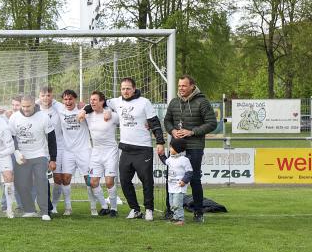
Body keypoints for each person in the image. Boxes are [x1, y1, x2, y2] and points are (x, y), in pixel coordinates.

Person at [89, 77, 165, 221]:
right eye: (123, 88)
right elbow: (97, 102)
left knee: (147, 181)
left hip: (143, 148)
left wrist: (160, 142)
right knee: (124, 181)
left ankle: (149, 209)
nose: (125, 91)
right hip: (126, 149)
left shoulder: (144, 102)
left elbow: (154, 123)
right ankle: (135, 209)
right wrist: (97, 110)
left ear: (134, 89)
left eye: (128, 88)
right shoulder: (116, 102)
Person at [163, 75, 217, 223]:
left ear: (192, 86)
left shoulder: (202, 102)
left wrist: (192, 131)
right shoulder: (174, 102)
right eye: (179, 86)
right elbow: (167, 121)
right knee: (172, 178)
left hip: (195, 146)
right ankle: (170, 211)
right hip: (176, 147)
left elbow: (212, 123)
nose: (181, 88)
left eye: (184, 86)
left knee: (194, 178)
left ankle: (198, 212)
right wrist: (172, 131)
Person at [9, 95, 57, 221]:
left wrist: (53, 158)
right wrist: (17, 153)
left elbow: (52, 139)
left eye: (28, 106)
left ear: (34, 105)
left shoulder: (43, 117)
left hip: (39, 154)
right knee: (21, 184)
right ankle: (29, 209)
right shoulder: (14, 117)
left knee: (41, 181)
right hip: (22, 156)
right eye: (23, 106)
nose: (25, 109)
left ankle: (45, 211)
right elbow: (11, 138)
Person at [53, 90, 98, 217]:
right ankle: (68, 207)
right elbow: (45, 99)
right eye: (65, 99)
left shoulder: (82, 109)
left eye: (70, 99)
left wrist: (84, 108)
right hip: (68, 151)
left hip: (84, 150)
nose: (68, 102)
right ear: (63, 100)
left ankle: (93, 208)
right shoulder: (60, 108)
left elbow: (96, 105)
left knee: (88, 180)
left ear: (75, 99)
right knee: (65, 179)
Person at [80, 91, 120, 217]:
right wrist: (83, 111)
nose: (92, 102)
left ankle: (114, 208)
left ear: (102, 101)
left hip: (110, 151)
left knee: (109, 182)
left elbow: (125, 122)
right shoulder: (88, 115)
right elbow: (78, 114)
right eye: (91, 100)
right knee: (93, 182)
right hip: (96, 151)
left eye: (95, 100)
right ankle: (104, 206)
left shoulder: (112, 115)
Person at [161, 138, 194, 226]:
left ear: (177, 148)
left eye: (171, 147)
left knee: (177, 204)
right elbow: (165, 162)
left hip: (179, 187)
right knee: (172, 204)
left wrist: (184, 181)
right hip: (171, 187)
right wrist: (161, 155)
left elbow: (190, 172)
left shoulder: (184, 160)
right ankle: (175, 218)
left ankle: (180, 220)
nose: (170, 149)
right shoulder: (170, 159)